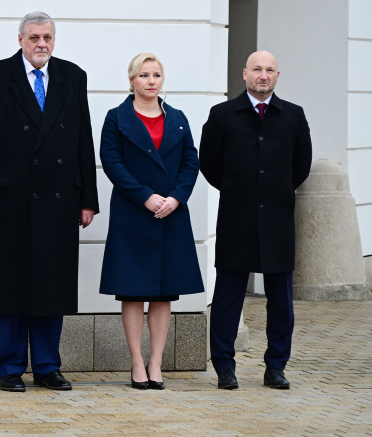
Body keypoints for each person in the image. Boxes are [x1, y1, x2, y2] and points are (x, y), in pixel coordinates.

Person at [0, 11, 99, 393]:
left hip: (58, 200)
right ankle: (8, 367)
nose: (42, 44)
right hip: (8, 200)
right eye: (35, 37)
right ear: (20, 39)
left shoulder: (73, 76)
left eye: (48, 37)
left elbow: (83, 140)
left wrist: (87, 197)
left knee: (51, 284)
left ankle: (46, 366)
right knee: (9, 285)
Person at [200, 50, 312, 390]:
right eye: (256, 69)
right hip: (237, 218)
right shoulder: (221, 115)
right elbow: (210, 164)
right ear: (244, 74)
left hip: (278, 220)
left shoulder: (293, 116)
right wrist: (239, 189)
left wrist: (272, 191)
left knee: (281, 301)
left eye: (269, 70)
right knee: (228, 298)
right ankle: (224, 367)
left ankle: (276, 367)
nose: (263, 75)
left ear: (278, 75)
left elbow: (300, 167)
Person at [98, 53, 204, 390]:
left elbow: (191, 161)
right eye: (143, 75)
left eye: (156, 75)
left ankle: (156, 362)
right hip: (133, 214)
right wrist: (145, 195)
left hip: (170, 215)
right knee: (133, 292)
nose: (151, 81)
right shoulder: (116, 118)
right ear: (131, 80)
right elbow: (112, 162)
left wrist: (176, 197)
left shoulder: (178, 118)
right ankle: (135, 362)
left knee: (163, 294)